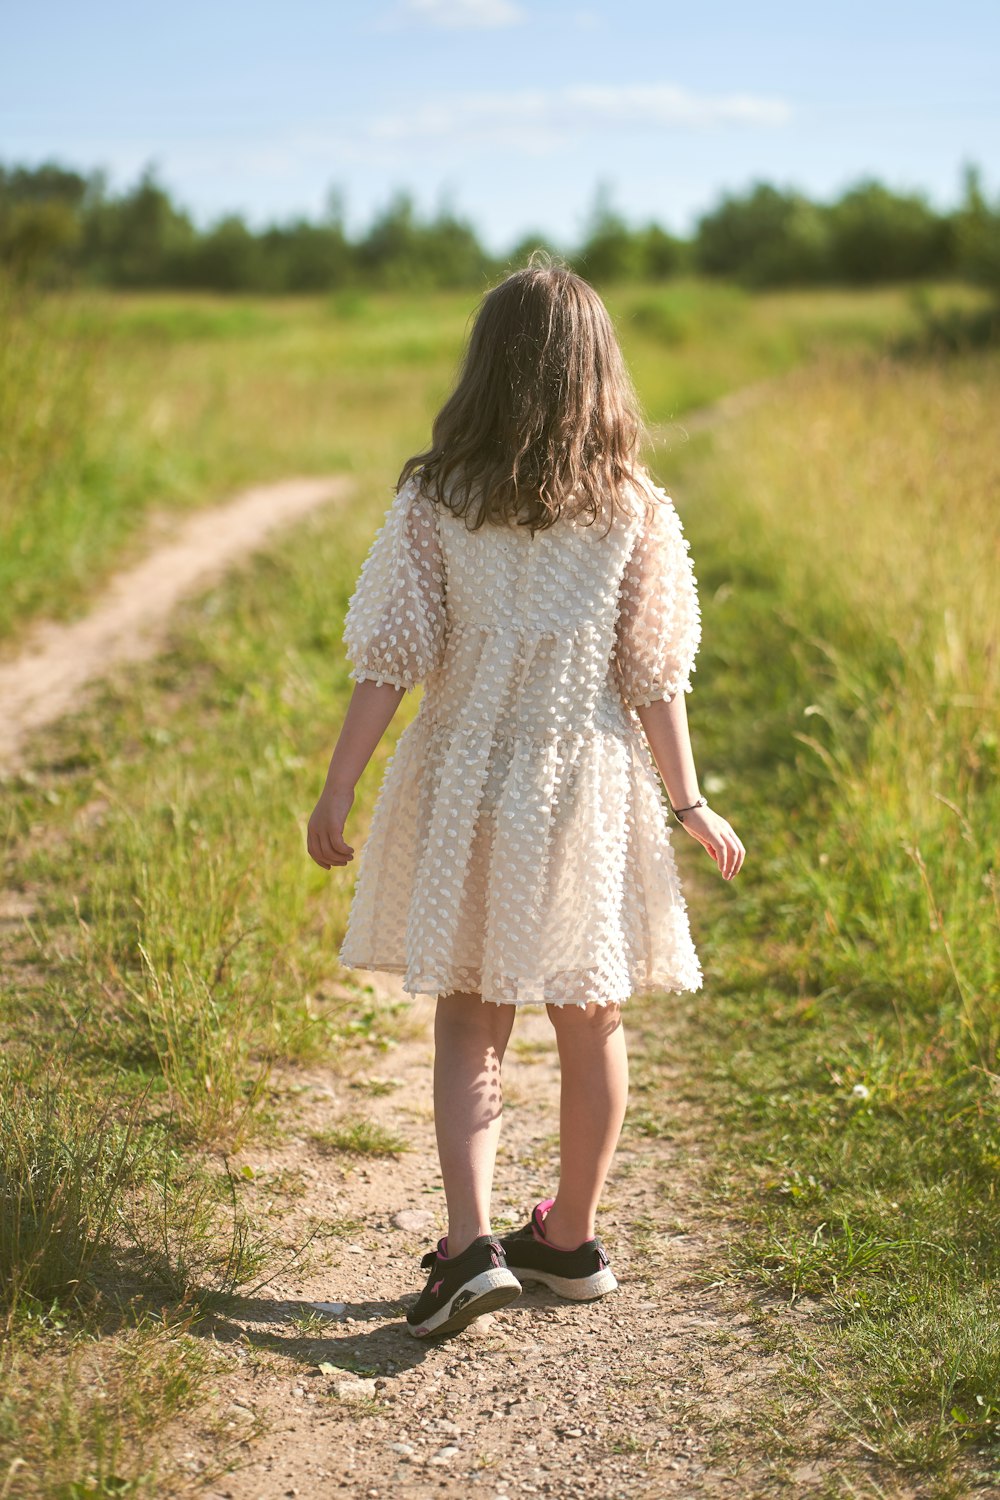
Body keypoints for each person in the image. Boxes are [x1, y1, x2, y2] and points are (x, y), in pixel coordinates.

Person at [307, 255, 745, 1339]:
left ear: (484, 369)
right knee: (589, 1013)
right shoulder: (633, 506)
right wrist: (687, 802)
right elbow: (655, 671)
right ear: (597, 374)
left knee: (472, 1014)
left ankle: (468, 1250)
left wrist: (340, 784)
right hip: (585, 783)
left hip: (466, 772)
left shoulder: (437, 495)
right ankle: (570, 1239)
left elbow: (391, 657)